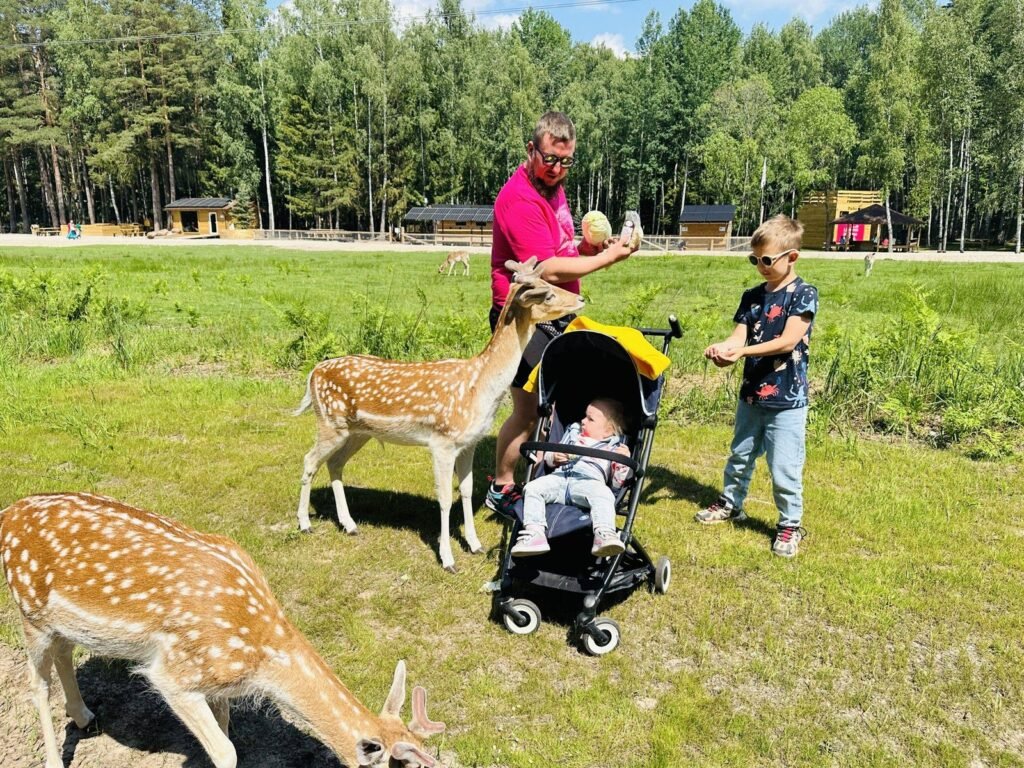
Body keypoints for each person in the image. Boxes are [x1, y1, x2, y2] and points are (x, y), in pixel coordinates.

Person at [485, 111, 636, 515]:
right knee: (528, 410)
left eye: (566, 161)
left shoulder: (554, 188)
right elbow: (547, 269)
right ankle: (501, 487)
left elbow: (562, 250)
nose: (556, 169)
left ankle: (562, 476)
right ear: (531, 150)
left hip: (556, 311)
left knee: (554, 404)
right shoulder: (519, 199)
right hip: (523, 318)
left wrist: (589, 250)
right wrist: (608, 259)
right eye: (549, 159)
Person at [697, 215, 819, 558]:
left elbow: (787, 341)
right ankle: (731, 503)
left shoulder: (804, 294)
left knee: (784, 468)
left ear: (791, 257)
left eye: (767, 260)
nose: (760, 267)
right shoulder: (751, 297)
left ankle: (789, 524)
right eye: (755, 260)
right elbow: (738, 337)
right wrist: (724, 350)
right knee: (740, 455)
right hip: (752, 395)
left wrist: (742, 352)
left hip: (787, 401)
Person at [511, 398, 632, 558]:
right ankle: (534, 532)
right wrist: (554, 457)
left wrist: (623, 462)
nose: (583, 421)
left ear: (608, 431)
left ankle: (604, 533)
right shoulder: (573, 435)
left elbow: (617, 484)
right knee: (531, 488)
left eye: (590, 419)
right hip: (559, 478)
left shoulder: (613, 448)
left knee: (604, 495)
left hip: (589, 482)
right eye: (585, 416)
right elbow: (548, 458)